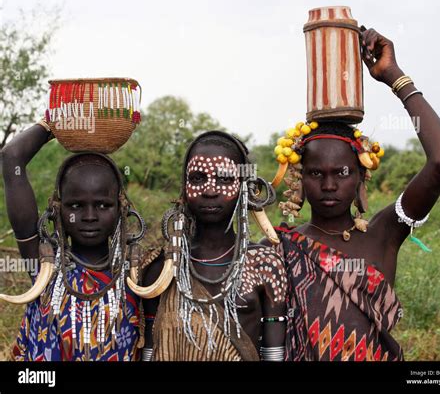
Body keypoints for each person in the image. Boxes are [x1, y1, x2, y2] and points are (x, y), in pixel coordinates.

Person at [264, 28, 440, 361]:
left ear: (360, 176)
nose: (328, 185)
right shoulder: (280, 246)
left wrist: (394, 77)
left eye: (341, 173)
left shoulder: (384, 233)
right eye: (316, 174)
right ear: (299, 177)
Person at [137, 131, 288, 361]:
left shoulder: (265, 266)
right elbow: (150, 351)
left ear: (243, 186)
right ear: (184, 187)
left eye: (225, 179)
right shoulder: (162, 269)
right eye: (197, 178)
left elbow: (274, 354)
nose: (210, 190)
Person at [1, 122, 145, 361]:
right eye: (76, 206)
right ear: (57, 210)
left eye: (103, 205)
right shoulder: (44, 267)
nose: (89, 216)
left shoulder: (138, 274)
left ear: (122, 209)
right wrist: (56, 122)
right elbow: (11, 157)